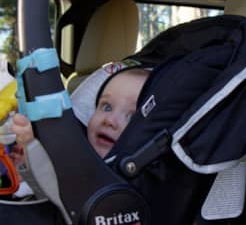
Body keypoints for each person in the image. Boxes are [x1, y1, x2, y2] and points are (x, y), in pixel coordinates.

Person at [11, 67, 150, 159]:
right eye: (106, 106)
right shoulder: (78, 155)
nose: (110, 121)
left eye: (132, 117)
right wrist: (33, 145)